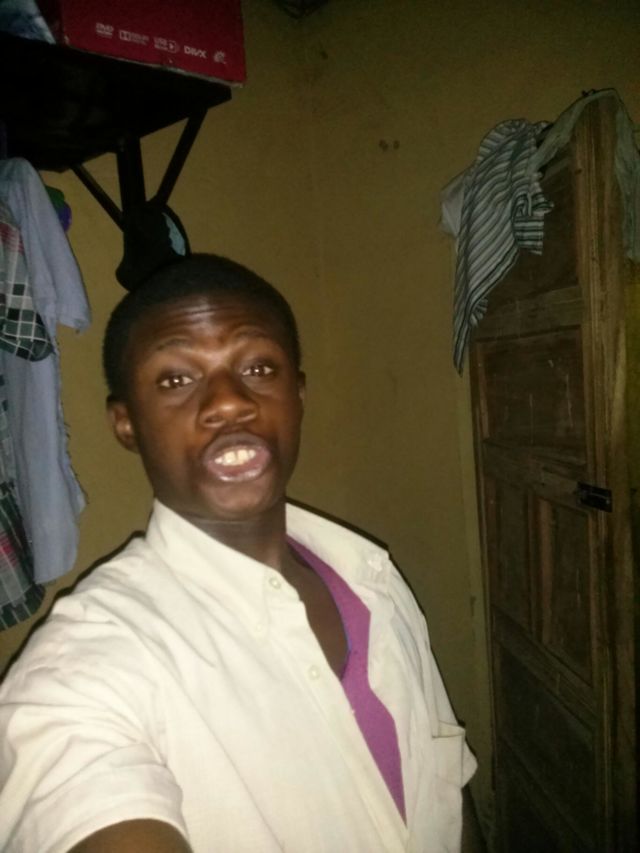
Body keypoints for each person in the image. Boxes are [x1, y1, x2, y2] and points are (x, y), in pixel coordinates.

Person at [0, 253, 479, 852]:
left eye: (258, 367)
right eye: (176, 379)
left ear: (297, 395)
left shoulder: (372, 579)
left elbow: (449, 794)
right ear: (126, 425)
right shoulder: (84, 667)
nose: (229, 402)